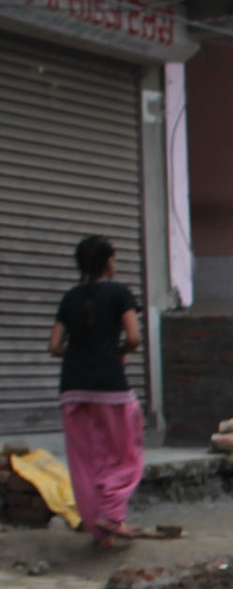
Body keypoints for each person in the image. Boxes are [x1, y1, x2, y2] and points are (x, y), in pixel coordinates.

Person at [48, 235, 144, 550]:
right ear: (108, 262)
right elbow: (133, 337)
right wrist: (115, 354)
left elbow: (54, 346)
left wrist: (81, 354)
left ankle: (102, 531)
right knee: (125, 452)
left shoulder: (69, 297)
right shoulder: (120, 294)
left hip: (72, 386)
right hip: (109, 385)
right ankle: (113, 514)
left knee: (86, 459)